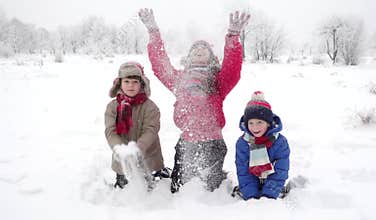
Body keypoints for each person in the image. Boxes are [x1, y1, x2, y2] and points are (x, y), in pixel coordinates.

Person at [138, 8, 250, 193]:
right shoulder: (179, 80)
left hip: (213, 142)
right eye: (195, 48)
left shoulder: (217, 81)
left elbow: (232, 68)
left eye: (204, 48)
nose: (199, 49)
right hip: (186, 142)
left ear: (212, 58)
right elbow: (160, 65)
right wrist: (153, 32)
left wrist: (233, 36)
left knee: (210, 192)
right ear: (188, 57)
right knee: (179, 190)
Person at [104, 61, 170, 189]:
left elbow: (151, 130)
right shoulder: (112, 107)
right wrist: (120, 150)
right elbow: (110, 132)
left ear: (142, 84)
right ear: (120, 83)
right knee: (125, 190)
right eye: (127, 82)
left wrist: (137, 149)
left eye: (135, 82)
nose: (131, 86)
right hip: (122, 162)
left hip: (149, 159)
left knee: (151, 191)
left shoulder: (150, 107)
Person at [233, 91, 290, 200]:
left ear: (268, 123)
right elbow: (243, 171)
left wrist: (269, 195)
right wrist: (251, 195)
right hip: (250, 182)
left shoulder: (279, 142)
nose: (255, 127)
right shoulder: (243, 143)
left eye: (259, 122)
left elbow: (281, 170)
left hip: (274, 184)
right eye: (251, 123)